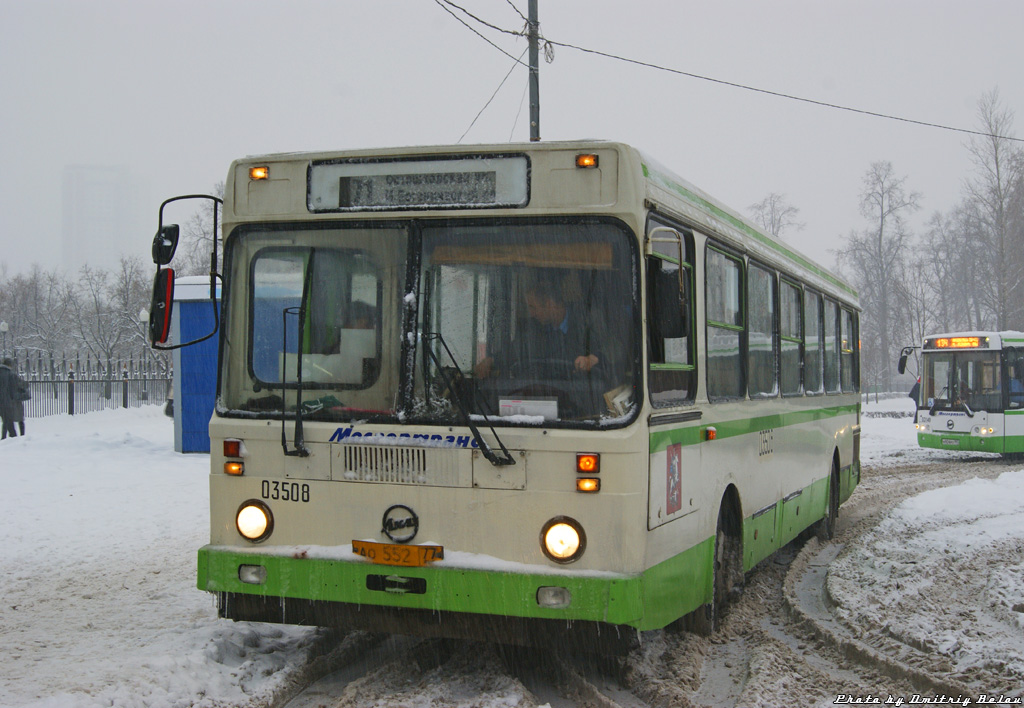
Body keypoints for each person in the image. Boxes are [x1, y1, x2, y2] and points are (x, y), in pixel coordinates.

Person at [475, 274, 604, 379]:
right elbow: (514, 351)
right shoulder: (533, 328)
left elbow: (608, 352)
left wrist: (591, 359)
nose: (531, 313)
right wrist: (491, 360)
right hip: (540, 394)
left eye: (533, 307)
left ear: (549, 304)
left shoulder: (585, 323)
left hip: (577, 398)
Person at [0, 357, 27, 439]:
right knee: (9, 421)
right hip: (8, 401)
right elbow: (16, 387)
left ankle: (5, 438)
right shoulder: (11, 374)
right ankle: (14, 438)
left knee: (6, 421)